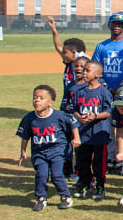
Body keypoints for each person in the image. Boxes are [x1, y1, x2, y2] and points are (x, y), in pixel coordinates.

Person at [16, 84, 78, 212]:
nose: (37, 100)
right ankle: (41, 198)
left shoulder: (59, 116)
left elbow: (73, 122)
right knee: (41, 175)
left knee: (56, 175)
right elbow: (25, 136)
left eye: (41, 98)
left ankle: (65, 196)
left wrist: (76, 138)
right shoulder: (29, 118)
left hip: (57, 151)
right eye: (35, 97)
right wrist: (23, 151)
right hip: (39, 152)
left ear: (51, 102)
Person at [71, 60, 112, 200]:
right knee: (83, 161)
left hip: (99, 133)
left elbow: (108, 111)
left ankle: (100, 186)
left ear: (97, 74)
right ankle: (85, 184)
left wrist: (96, 116)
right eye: (84, 70)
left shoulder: (103, 91)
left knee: (99, 163)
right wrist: (79, 117)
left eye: (88, 70)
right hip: (83, 134)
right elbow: (74, 109)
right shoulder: (79, 92)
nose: (84, 73)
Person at [92, 13, 123, 92]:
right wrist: (106, 87)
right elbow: (95, 68)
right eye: (114, 24)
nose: (117, 26)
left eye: (120, 24)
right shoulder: (101, 46)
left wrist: (120, 88)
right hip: (103, 90)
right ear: (109, 25)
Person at [47, 16, 86, 88]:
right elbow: (59, 47)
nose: (63, 55)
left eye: (65, 53)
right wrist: (54, 30)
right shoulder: (70, 61)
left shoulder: (87, 65)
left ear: (74, 53)